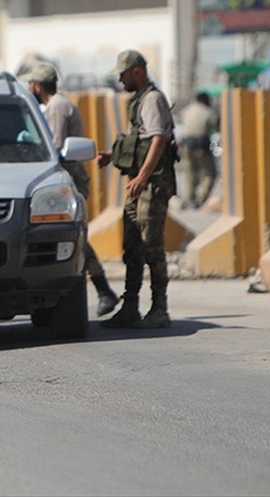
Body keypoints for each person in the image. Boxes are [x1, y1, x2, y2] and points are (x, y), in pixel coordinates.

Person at [23, 62, 120, 317]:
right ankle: (101, 291)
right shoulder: (58, 104)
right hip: (69, 175)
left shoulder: (56, 107)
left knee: (73, 237)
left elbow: (54, 148)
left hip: (70, 177)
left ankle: (103, 289)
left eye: (30, 84)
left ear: (37, 85)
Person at [96, 50, 177, 330]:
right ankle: (130, 307)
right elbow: (138, 141)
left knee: (152, 246)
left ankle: (160, 309)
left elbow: (158, 139)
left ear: (138, 72)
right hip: (139, 184)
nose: (119, 79)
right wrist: (111, 154)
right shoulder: (139, 100)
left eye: (123, 73)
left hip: (152, 185)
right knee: (132, 246)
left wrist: (143, 176)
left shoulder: (152, 99)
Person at [177, 92, 218, 209]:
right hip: (201, 145)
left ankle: (190, 199)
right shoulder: (208, 112)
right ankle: (201, 195)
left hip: (186, 146)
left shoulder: (187, 110)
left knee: (190, 173)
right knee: (210, 173)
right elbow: (214, 127)